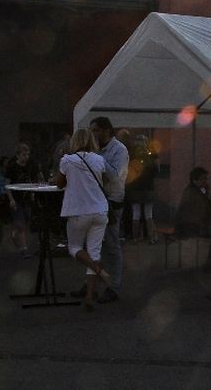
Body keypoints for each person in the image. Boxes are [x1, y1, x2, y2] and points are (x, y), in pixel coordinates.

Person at [54, 128, 110, 312]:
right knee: (94, 251)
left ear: (75, 141)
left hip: (78, 211)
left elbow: (59, 184)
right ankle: (89, 296)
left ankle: (98, 269)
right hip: (100, 210)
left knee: (74, 248)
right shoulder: (99, 159)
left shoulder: (67, 160)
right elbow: (105, 180)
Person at [89, 116, 127, 304]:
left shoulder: (119, 150)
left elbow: (115, 175)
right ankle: (91, 285)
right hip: (95, 200)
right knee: (95, 245)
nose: (93, 134)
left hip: (112, 200)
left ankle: (114, 287)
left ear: (106, 130)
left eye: (95, 130)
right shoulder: (95, 148)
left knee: (112, 245)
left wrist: (96, 160)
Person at [2, 143, 41, 257]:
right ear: (18, 155)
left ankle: (16, 235)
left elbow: (35, 179)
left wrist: (34, 192)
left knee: (27, 222)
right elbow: (7, 184)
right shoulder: (12, 167)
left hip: (27, 198)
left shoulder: (30, 166)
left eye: (27, 155)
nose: (26, 157)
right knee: (20, 224)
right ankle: (24, 249)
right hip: (16, 198)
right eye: (24, 155)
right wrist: (11, 199)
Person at [125, 134, 159, 244]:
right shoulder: (152, 155)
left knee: (136, 214)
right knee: (149, 214)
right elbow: (156, 171)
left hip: (135, 187)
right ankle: (151, 237)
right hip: (148, 187)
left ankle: (135, 237)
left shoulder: (132, 155)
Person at [175, 167, 211, 238]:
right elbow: (204, 210)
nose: (205, 181)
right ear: (195, 180)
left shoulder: (198, 190)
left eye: (206, 179)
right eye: (203, 179)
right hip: (191, 229)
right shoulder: (192, 192)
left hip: (193, 227)